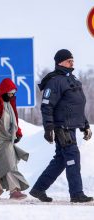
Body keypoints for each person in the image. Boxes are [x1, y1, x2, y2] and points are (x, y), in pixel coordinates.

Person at [29, 49, 93, 203]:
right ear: (60, 62)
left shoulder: (72, 79)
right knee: (72, 156)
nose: (72, 62)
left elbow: (76, 106)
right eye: (69, 60)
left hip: (71, 125)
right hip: (61, 127)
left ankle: (38, 189)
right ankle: (76, 193)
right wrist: (49, 128)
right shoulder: (55, 81)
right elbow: (46, 106)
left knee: (60, 160)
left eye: (72, 59)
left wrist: (85, 125)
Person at [0, 78, 29, 199]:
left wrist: (18, 133)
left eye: (14, 93)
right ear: (4, 92)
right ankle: (12, 190)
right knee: (7, 164)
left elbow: (14, 121)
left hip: (8, 140)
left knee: (10, 164)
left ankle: (14, 190)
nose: (12, 95)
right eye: (10, 93)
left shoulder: (10, 104)